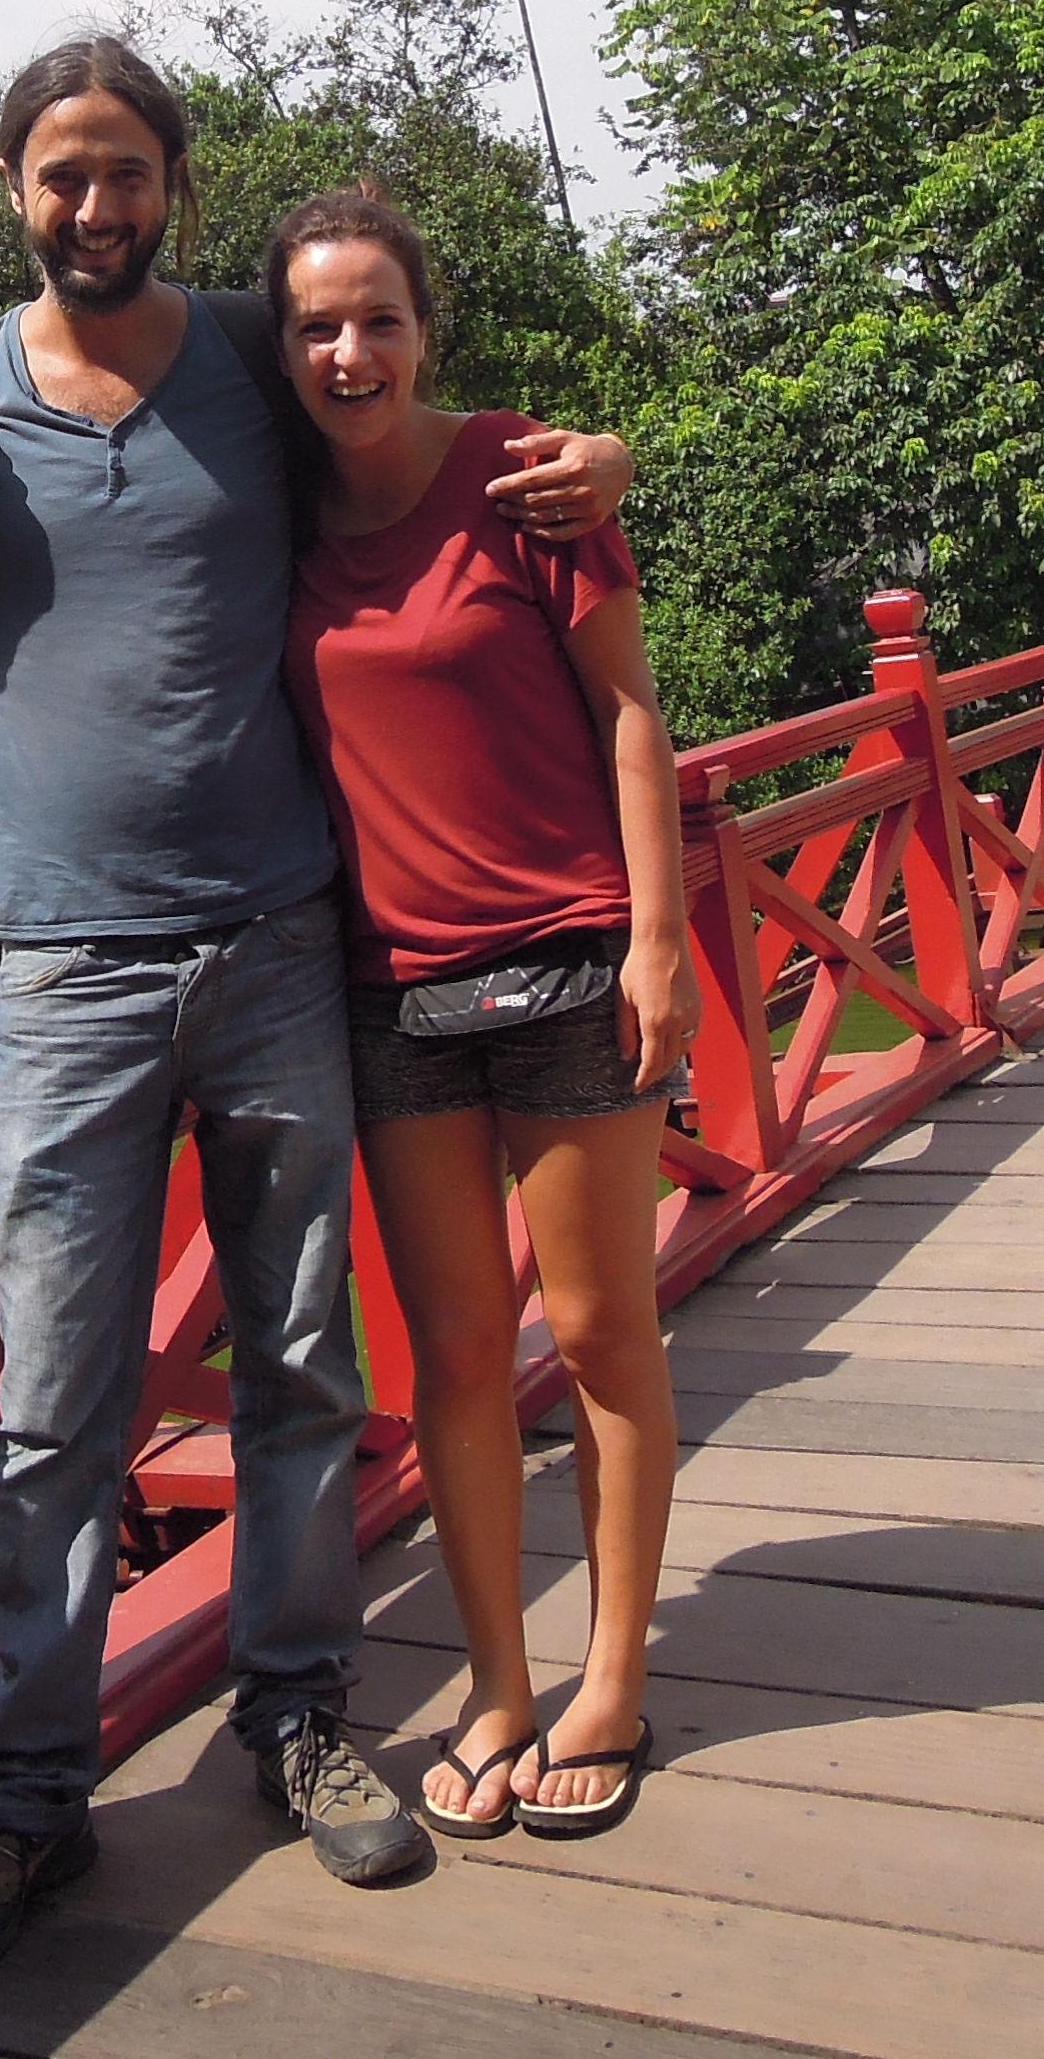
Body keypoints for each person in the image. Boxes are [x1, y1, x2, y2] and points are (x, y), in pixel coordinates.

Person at [0, 36, 635, 1982]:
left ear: (171, 188)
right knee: (56, 1406)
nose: (94, 205)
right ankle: (23, 1804)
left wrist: (597, 462)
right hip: (68, 967)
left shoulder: (246, 357)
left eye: (125, 171)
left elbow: (404, 431)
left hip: (283, 939)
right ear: (12, 190)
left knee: (299, 1366)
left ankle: (293, 1718)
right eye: (61, 173)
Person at [266, 190, 695, 1849]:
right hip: (393, 992)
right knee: (453, 1357)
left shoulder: (525, 474)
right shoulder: (279, 512)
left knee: (598, 1334)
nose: (350, 353)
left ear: (425, 328)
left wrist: (659, 940)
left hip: (574, 960)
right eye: (317, 327)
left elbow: (632, 712)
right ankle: (500, 1684)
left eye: (378, 318)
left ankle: (614, 1678)